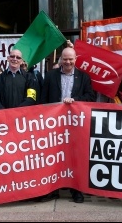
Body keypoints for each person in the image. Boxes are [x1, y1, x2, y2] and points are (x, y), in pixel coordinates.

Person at [40, 47, 96, 203]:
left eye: (70, 59)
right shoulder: (50, 76)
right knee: (54, 156)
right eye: (65, 59)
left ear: (75, 59)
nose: (68, 62)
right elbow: (43, 99)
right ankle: (53, 189)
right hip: (54, 124)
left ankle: (76, 189)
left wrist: (75, 100)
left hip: (75, 124)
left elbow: (90, 96)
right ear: (61, 60)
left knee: (75, 157)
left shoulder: (84, 77)